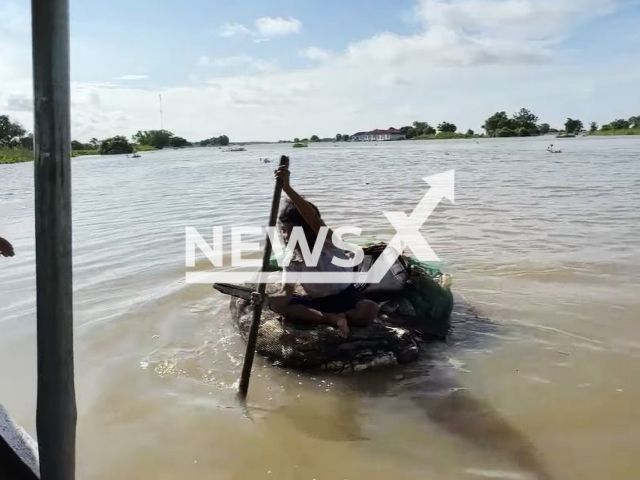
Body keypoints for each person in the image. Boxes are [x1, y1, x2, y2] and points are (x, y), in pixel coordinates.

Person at [253, 166, 379, 337]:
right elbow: (285, 292)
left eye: (289, 230)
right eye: (282, 230)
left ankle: (345, 317)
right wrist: (266, 300)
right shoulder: (291, 260)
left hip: (347, 296)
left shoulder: (328, 243)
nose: (284, 235)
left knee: (370, 309)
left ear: (308, 231)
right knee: (280, 306)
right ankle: (333, 319)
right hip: (319, 303)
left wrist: (288, 189)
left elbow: (313, 220)